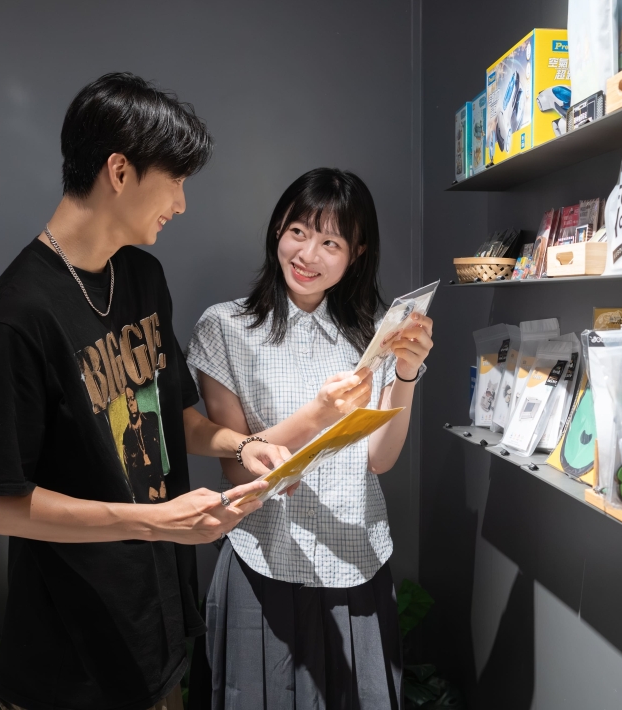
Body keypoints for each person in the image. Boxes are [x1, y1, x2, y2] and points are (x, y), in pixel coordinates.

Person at [0, 73, 290, 710]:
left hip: (156, 627)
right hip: (71, 659)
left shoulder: (142, 275)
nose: (182, 204)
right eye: (176, 180)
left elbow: (170, 415)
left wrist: (240, 444)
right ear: (120, 171)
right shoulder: (16, 317)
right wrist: (154, 522)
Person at [187, 168, 435, 709]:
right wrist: (319, 414)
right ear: (279, 228)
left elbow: (379, 459)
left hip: (358, 561)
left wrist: (406, 374)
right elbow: (236, 465)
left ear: (357, 252)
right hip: (263, 560)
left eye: (331, 243)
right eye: (298, 232)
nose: (307, 255)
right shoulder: (224, 327)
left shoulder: (375, 331)